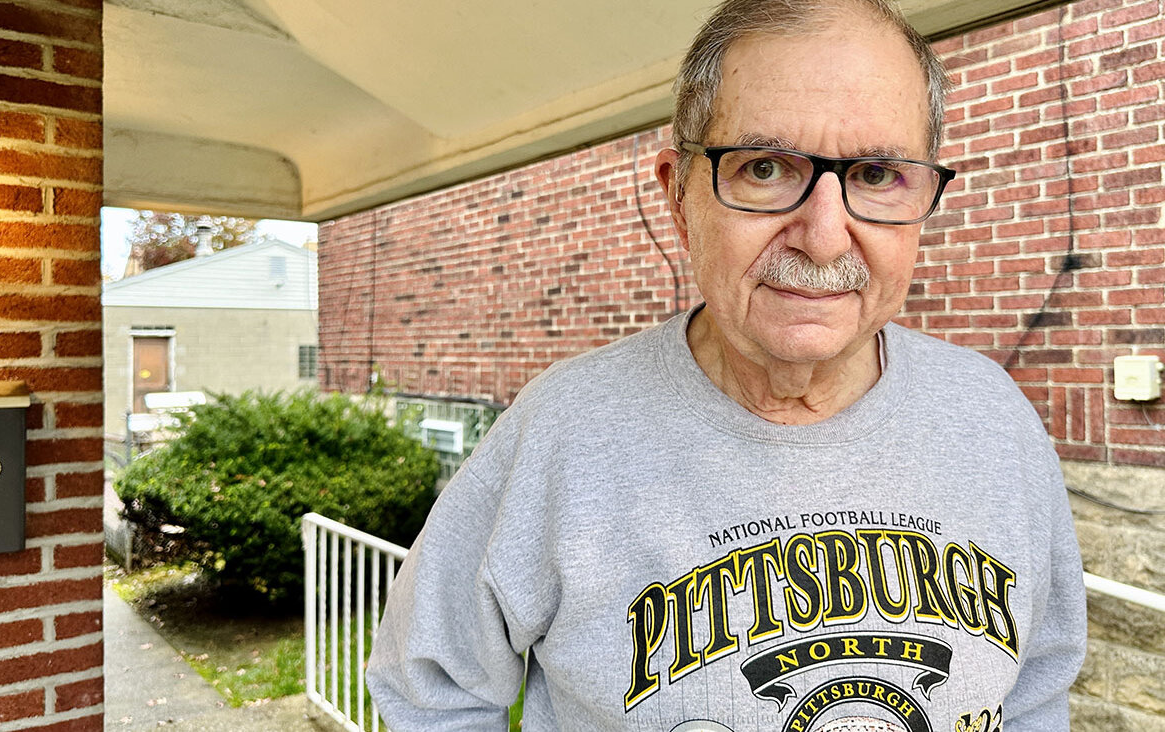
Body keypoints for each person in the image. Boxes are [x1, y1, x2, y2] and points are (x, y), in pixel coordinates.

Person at [366, 0, 1087, 729]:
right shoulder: (563, 431)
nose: (825, 239)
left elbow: (1036, 690)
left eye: (875, 174)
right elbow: (431, 690)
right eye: (766, 168)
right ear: (679, 196)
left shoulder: (994, 418)